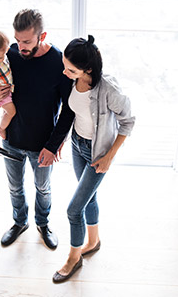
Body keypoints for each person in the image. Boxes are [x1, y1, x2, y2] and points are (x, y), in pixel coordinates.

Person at [0, 9, 74, 250]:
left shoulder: (58, 61)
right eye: (17, 40)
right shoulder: (10, 54)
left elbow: (69, 109)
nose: (20, 46)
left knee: (43, 188)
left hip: (42, 144)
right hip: (12, 139)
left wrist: (53, 145)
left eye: (26, 41)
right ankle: (19, 222)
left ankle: (43, 223)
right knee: (14, 186)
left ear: (42, 36)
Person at [52, 35, 135, 283]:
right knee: (89, 198)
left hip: (97, 153)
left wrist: (110, 156)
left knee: (73, 210)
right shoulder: (73, 80)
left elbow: (128, 122)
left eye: (71, 69)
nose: (65, 72)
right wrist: (62, 141)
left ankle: (73, 259)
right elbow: (72, 113)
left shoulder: (109, 90)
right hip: (78, 144)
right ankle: (93, 241)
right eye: (64, 66)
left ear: (88, 69)